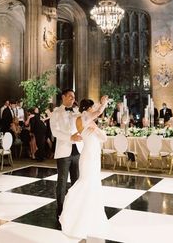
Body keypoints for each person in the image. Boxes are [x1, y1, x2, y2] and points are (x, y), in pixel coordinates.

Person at [59, 95, 109, 239]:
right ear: (87, 109)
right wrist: (103, 103)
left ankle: (90, 215)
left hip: (93, 154)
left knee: (92, 183)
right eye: (92, 107)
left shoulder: (88, 121)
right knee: (86, 182)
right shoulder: (83, 118)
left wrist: (97, 130)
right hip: (88, 155)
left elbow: (103, 137)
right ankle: (76, 216)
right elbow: (98, 112)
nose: (93, 110)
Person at [50, 89, 83, 219]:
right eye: (70, 96)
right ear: (63, 97)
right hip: (64, 151)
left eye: (74, 97)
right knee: (62, 181)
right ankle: (60, 208)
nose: (72, 99)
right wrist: (70, 137)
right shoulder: (56, 112)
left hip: (77, 151)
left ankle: (74, 206)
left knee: (76, 180)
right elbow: (55, 132)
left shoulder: (77, 112)